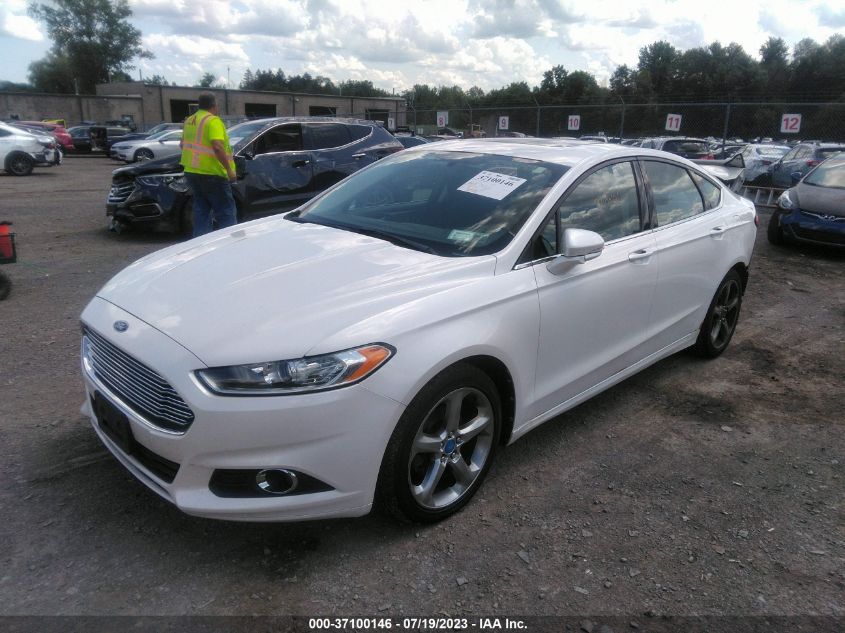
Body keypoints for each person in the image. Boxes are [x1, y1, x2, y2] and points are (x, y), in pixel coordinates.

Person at [179, 93, 237, 237]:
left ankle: (201, 245)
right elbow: (217, 147)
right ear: (214, 105)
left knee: (201, 210)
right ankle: (230, 243)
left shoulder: (189, 121)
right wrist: (229, 169)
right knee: (226, 211)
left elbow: (182, 145)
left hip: (192, 172)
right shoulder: (213, 121)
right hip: (213, 173)